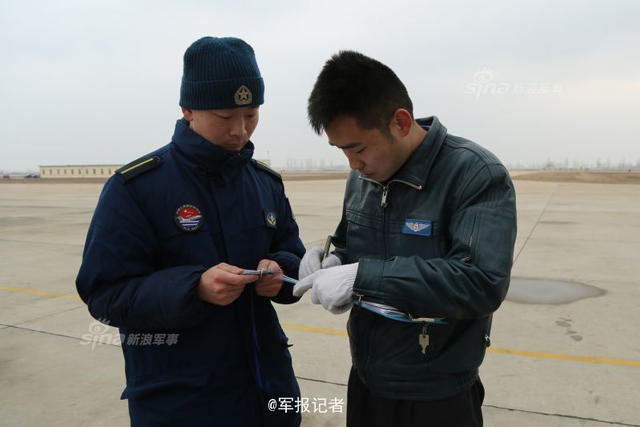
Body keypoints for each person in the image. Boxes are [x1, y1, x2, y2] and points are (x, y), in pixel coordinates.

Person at [76, 36, 305, 427]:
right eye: (224, 116)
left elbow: (293, 257)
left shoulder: (265, 183)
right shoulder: (136, 188)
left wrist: (280, 273)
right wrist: (193, 287)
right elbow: (104, 294)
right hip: (181, 403)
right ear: (188, 109)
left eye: (251, 115)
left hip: (268, 389)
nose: (240, 130)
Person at [293, 51, 517, 427]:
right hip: (367, 384)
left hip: (437, 397)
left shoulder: (474, 174)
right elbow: (351, 246)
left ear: (400, 122)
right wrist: (333, 261)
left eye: (358, 148)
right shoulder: (362, 180)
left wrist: (362, 276)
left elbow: (481, 282)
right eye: (342, 150)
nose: (353, 164)